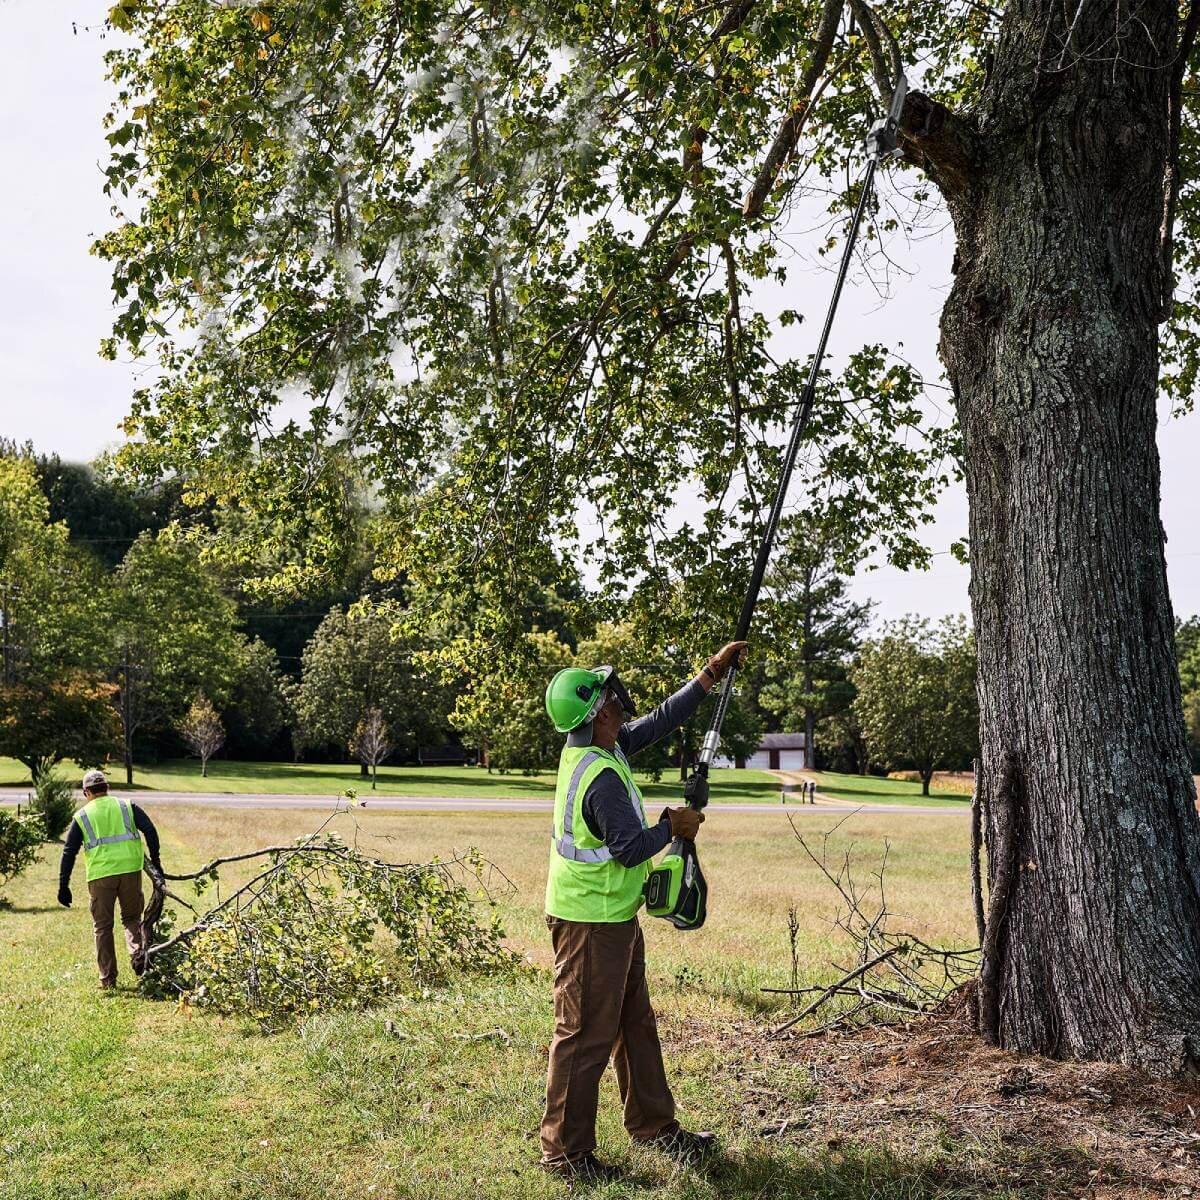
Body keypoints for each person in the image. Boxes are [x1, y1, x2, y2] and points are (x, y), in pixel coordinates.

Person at [539, 641, 749, 1182]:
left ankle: (655, 1127)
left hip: (614, 917)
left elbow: (658, 721)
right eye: (609, 696)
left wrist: (709, 674)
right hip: (589, 924)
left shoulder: (603, 748)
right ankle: (566, 1155)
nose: (619, 700)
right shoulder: (602, 777)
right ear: (599, 714)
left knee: (634, 1023)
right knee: (583, 1035)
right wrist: (673, 826)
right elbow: (631, 848)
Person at [57, 768, 162, 991]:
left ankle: (108, 979)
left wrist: (63, 885)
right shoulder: (126, 806)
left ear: (86, 792)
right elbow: (150, 830)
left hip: (100, 876)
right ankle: (139, 957)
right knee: (132, 918)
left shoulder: (82, 816)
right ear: (107, 788)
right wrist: (156, 862)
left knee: (103, 926)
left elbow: (69, 851)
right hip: (130, 871)